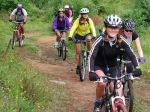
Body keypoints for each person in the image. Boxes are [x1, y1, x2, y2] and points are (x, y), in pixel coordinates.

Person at [88, 15, 142, 112]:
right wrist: (91, 71)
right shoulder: (100, 40)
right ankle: (97, 102)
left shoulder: (121, 40)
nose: (113, 30)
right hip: (99, 66)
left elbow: (132, 54)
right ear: (106, 27)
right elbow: (92, 56)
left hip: (113, 67)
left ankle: (119, 106)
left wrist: (137, 67)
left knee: (119, 91)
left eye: (115, 27)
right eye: (110, 27)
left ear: (119, 29)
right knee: (102, 83)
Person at [68, 8, 96, 74]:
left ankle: (89, 51)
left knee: (89, 39)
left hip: (87, 34)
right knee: (78, 52)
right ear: (81, 15)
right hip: (79, 35)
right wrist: (70, 36)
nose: (85, 15)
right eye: (84, 14)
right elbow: (73, 28)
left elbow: (92, 28)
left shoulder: (89, 20)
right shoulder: (78, 20)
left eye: (86, 14)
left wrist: (94, 35)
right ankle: (78, 66)